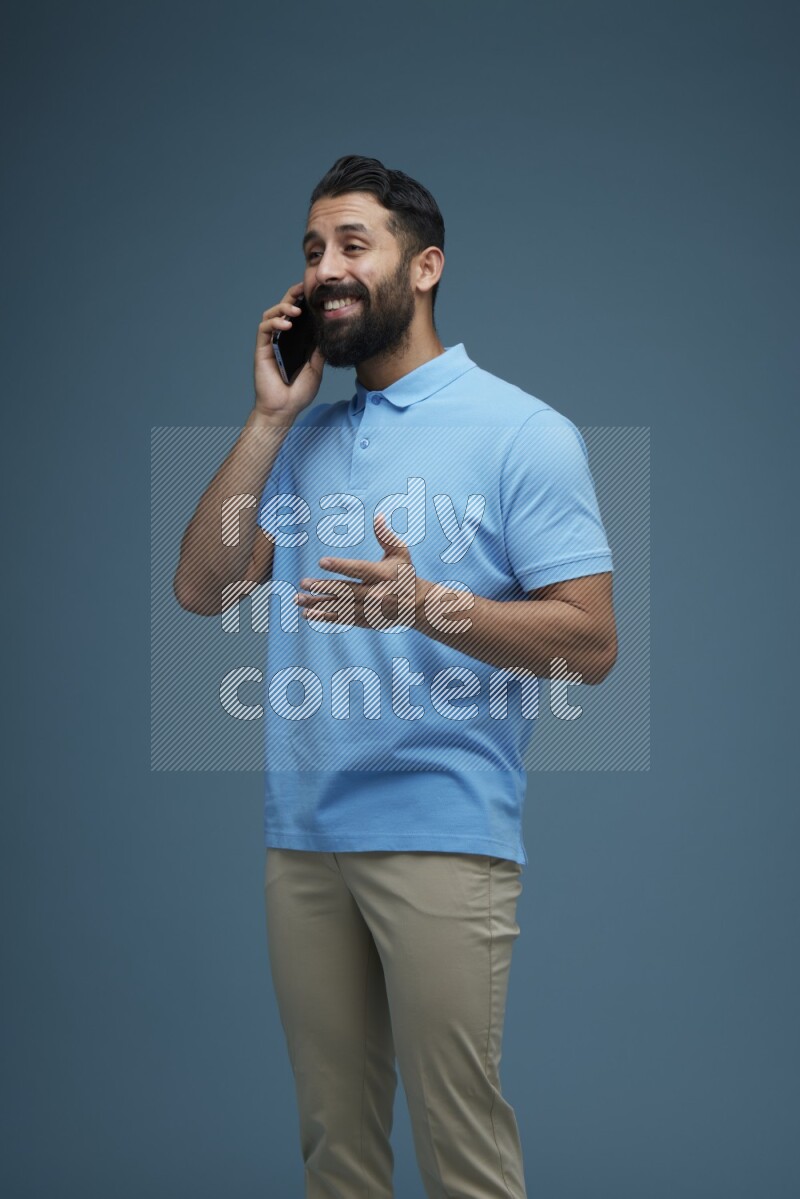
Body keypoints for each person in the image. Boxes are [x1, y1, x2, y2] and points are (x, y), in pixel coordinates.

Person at [174, 154, 617, 1199]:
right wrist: (269, 418)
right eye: (310, 250)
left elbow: (589, 646)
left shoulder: (523, 433)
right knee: (336, 1150)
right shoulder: (303, 440)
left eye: (350, 245)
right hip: (304, 838)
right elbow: (203, 587)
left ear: (423, 268)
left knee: (460, 1156)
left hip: (441, 833)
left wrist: (425, 605)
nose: (324, 267)